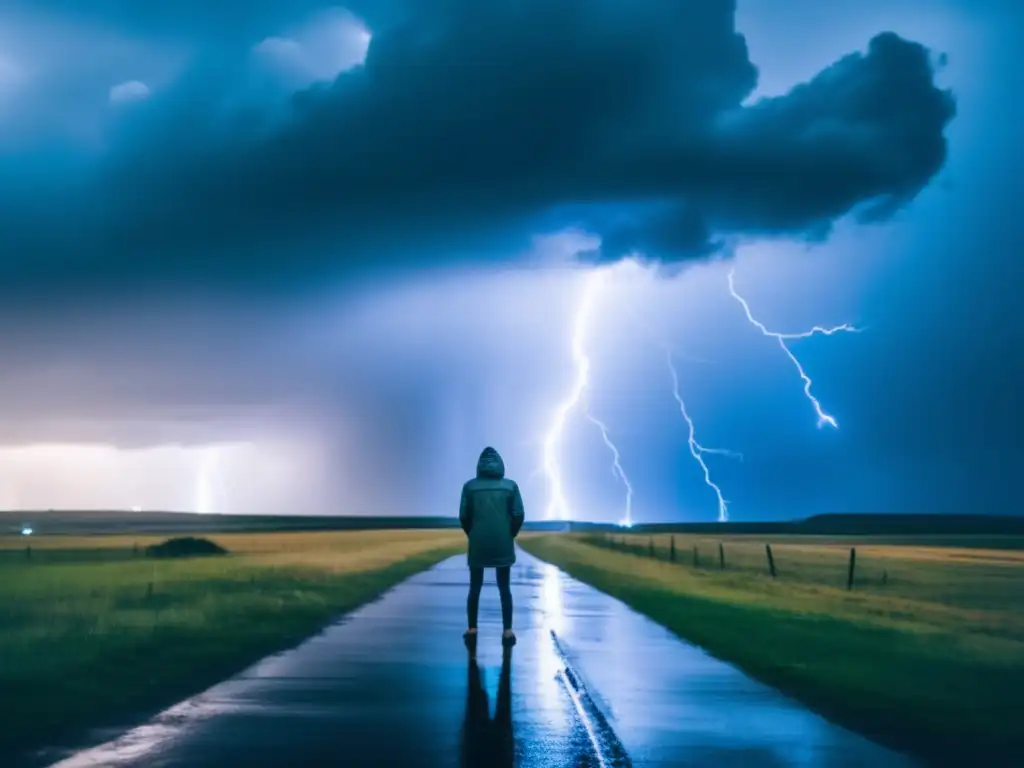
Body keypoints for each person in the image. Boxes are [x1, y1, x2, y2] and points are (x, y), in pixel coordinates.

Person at [459, 446, 525, 648]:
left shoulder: (469, 487)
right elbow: (518, 514)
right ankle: (507, 630)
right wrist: (510, 533)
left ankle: (472, 628)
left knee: (475, 587)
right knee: (504, 587)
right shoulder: (510, 486)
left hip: (478, 542)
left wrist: (473, 533)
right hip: (502, 543)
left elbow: (463, 516)